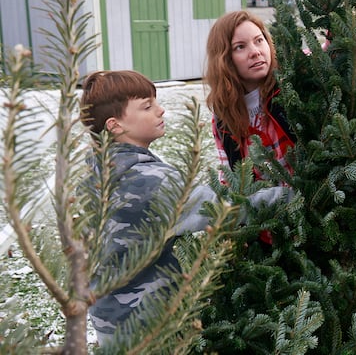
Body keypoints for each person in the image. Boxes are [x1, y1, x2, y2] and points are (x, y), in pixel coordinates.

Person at [79, 70, 286, 346]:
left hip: (108, 322)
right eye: (147, 106)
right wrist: (293, 193)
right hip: (152, 324)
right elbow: (227, 208)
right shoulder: (150, 182)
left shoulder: (94, 174)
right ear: (115, 125)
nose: (160, 110)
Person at [204, 10, 296, 182]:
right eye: (240, 46)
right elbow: (229, 179)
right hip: (263, 206)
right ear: (224, 59)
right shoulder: (224, 119)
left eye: (259, 41)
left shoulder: (291, 87)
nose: (255, 52)